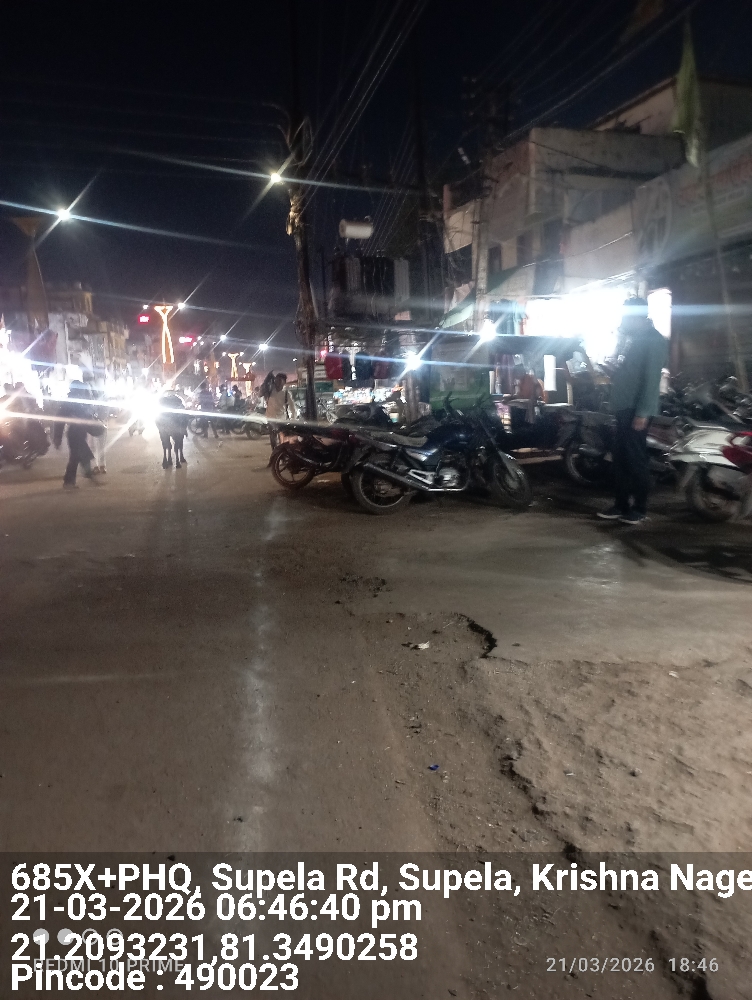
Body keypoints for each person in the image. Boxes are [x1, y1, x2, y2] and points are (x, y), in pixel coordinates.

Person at [597, 297, 669, 524]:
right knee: (620, 458)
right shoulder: (633, 339)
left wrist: (643, 412)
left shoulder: (654, 340)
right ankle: (621, 505)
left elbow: (651, 379)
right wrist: (614, 372)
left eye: (626, 316)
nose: (622, 320)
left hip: (636, 410)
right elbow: (631, 372)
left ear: (637, 316)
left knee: (635, 459)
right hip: (623, 407)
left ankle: (639, 508)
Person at [52, 381, 98, 488]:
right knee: (76, 457)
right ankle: (72, 480)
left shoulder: (80, 401)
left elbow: (86, 416)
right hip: (74, 434)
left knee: (78, 456)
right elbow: (59, 420)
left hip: (79, 432)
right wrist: (57, 437)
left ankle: (79, 477)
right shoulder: (69, 403)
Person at [265, 372, 296, 448]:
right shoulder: (270, 391)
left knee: (282, 439)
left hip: (281, 420)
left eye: (279, 380)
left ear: (284, 382)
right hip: (271, 419)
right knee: (273, 439)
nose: (277, 382)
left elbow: (293, 407)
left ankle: (282, 452)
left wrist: (293, 419)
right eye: (276, 380)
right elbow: (260, 394)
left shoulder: (287, 393)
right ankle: (275, 452)